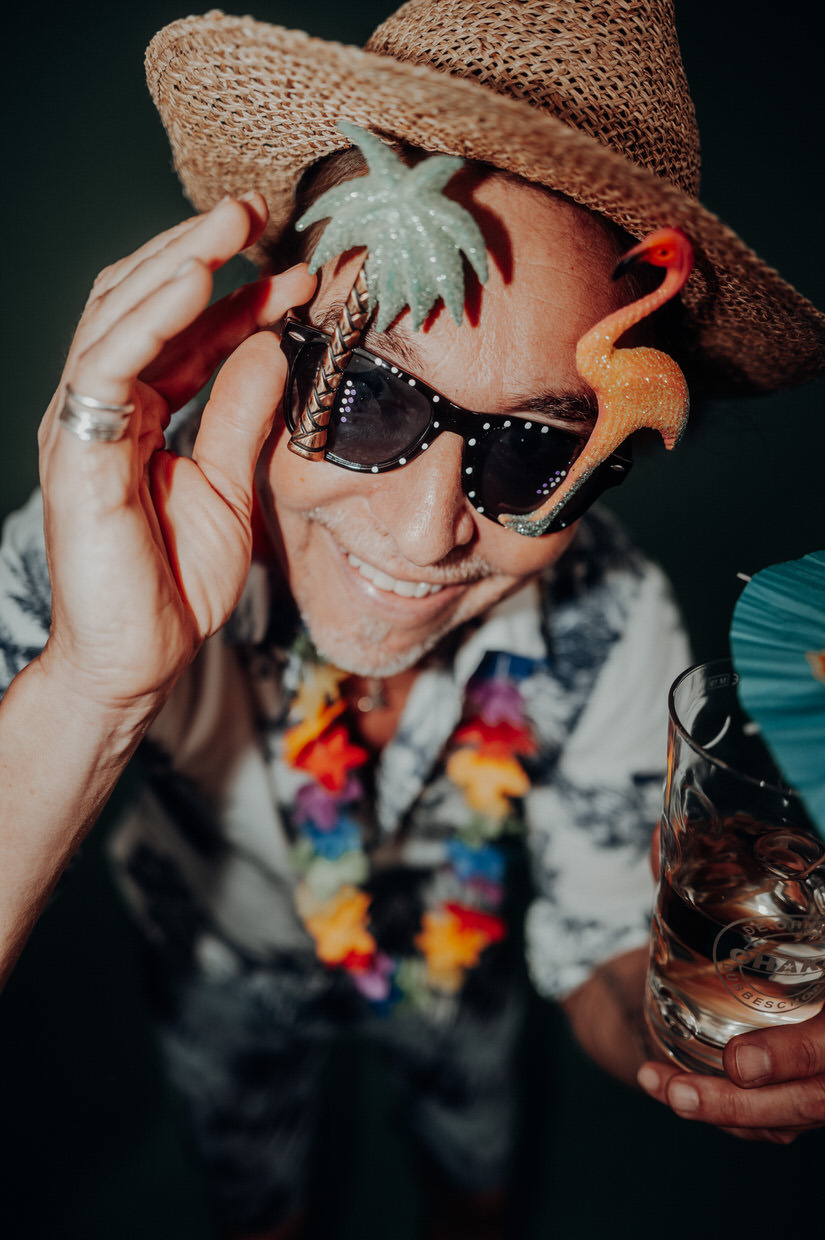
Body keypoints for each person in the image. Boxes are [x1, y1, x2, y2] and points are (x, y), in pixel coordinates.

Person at [1, 1, 824, 1237]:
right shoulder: (108, 536)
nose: (431, 527)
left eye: (534, 448)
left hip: (459, 979)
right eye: (371, 395)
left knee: (473, 1190)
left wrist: (721, 1049)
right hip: (220, 969)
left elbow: (609, 951)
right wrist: (92, 681)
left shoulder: (612, 622)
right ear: (256, 338)